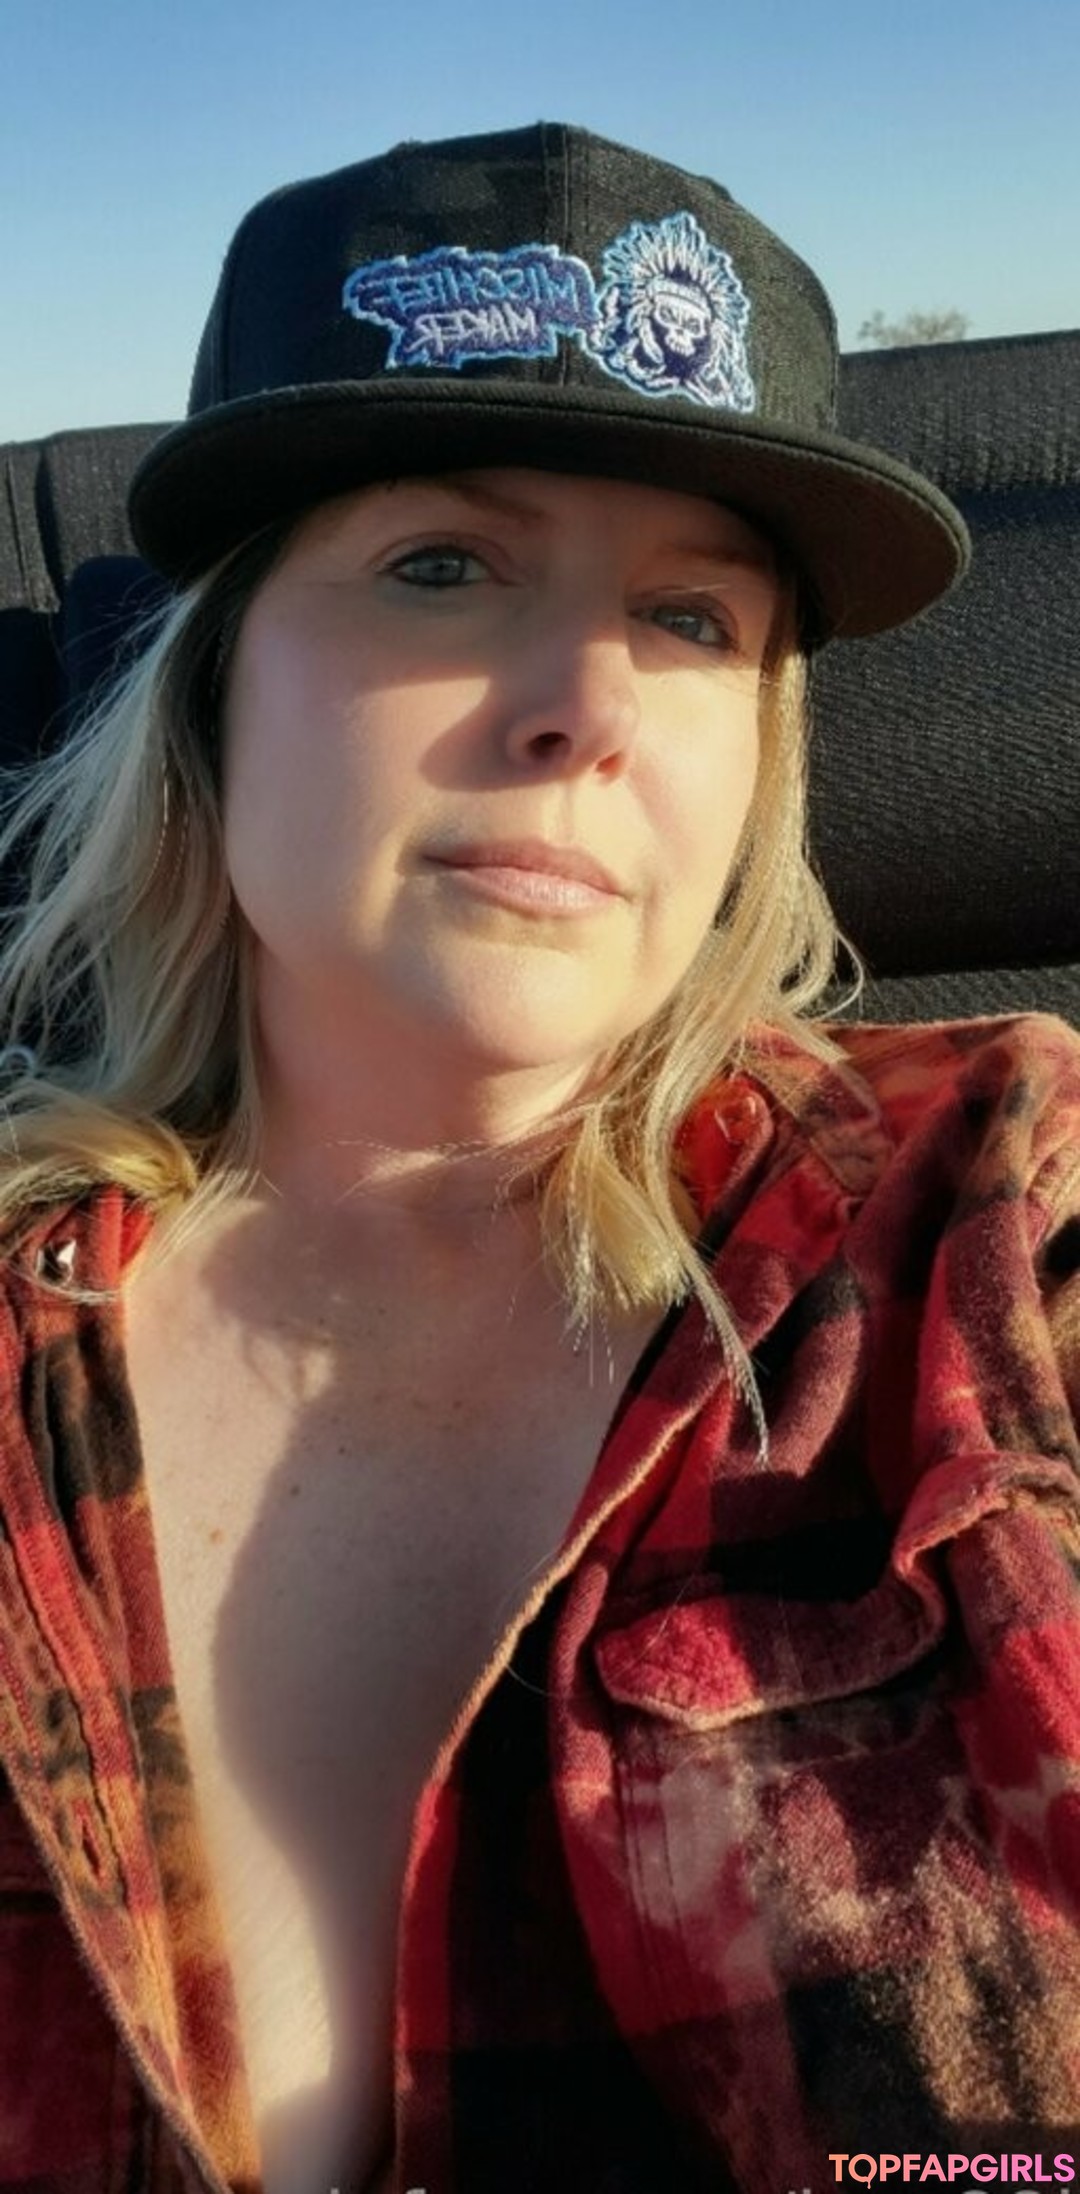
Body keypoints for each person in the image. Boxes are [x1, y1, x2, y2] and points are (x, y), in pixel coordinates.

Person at [0, 121, 1078, 2194]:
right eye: (442, 566)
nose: (586, 700)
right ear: (211, 691)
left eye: (691, 616)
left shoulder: (999, 1212)